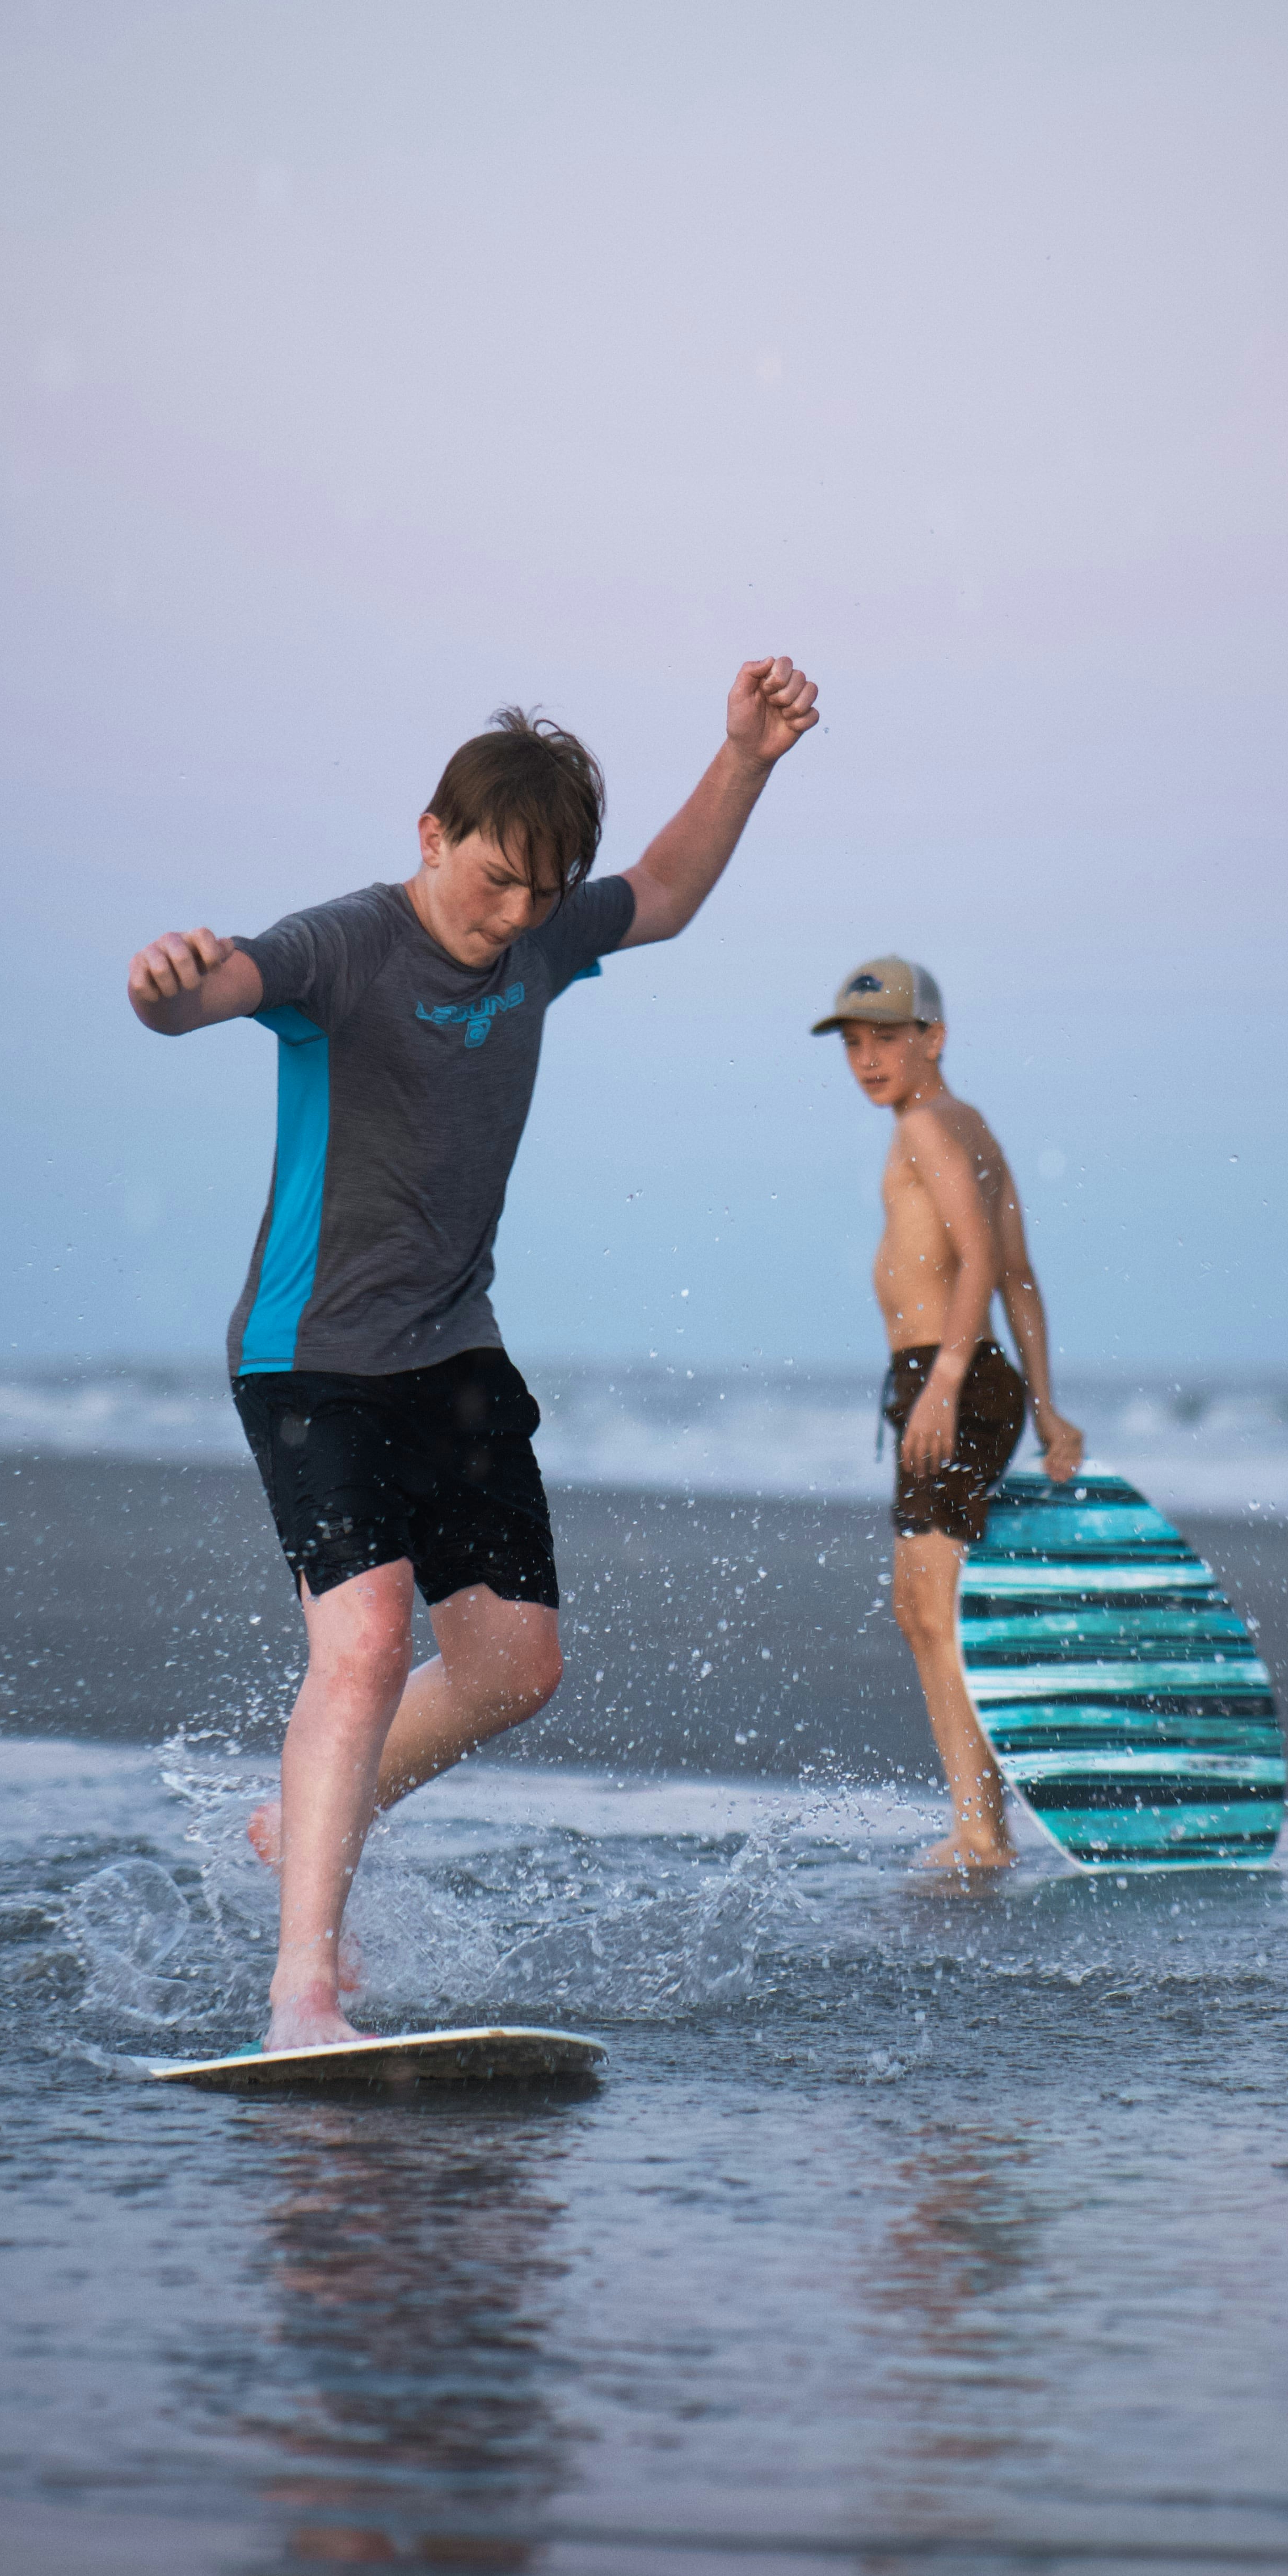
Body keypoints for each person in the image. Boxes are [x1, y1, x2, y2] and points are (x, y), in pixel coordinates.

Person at [128, 661, 820, 2050]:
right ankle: (301, 1994)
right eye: (495, 880)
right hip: (310, 1355)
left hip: (452, 1352)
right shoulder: (346, 947)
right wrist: (169, 990)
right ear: (433, 834)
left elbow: (667, 893)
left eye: (540, 895)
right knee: (369, 1639)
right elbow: (218, 993)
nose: (512, 917)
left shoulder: (541, 943)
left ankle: (301, 1819)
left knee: (513, 1667)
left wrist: (745, 754)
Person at [813, 955, 1084, 1872]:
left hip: (948, 1376)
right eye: (853, 1042)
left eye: (887, 1038)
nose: (867, 1059)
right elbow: (1023, 1277)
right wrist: (1045, 1409)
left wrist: (945, 1378)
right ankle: (982, 1820)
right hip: (965, 1380)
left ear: (934, 1037)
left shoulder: (928, 1126)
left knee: (929, 1601)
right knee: (923, 1602)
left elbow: (977, 1264)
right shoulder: (970, 1124)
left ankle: (981, 1832)